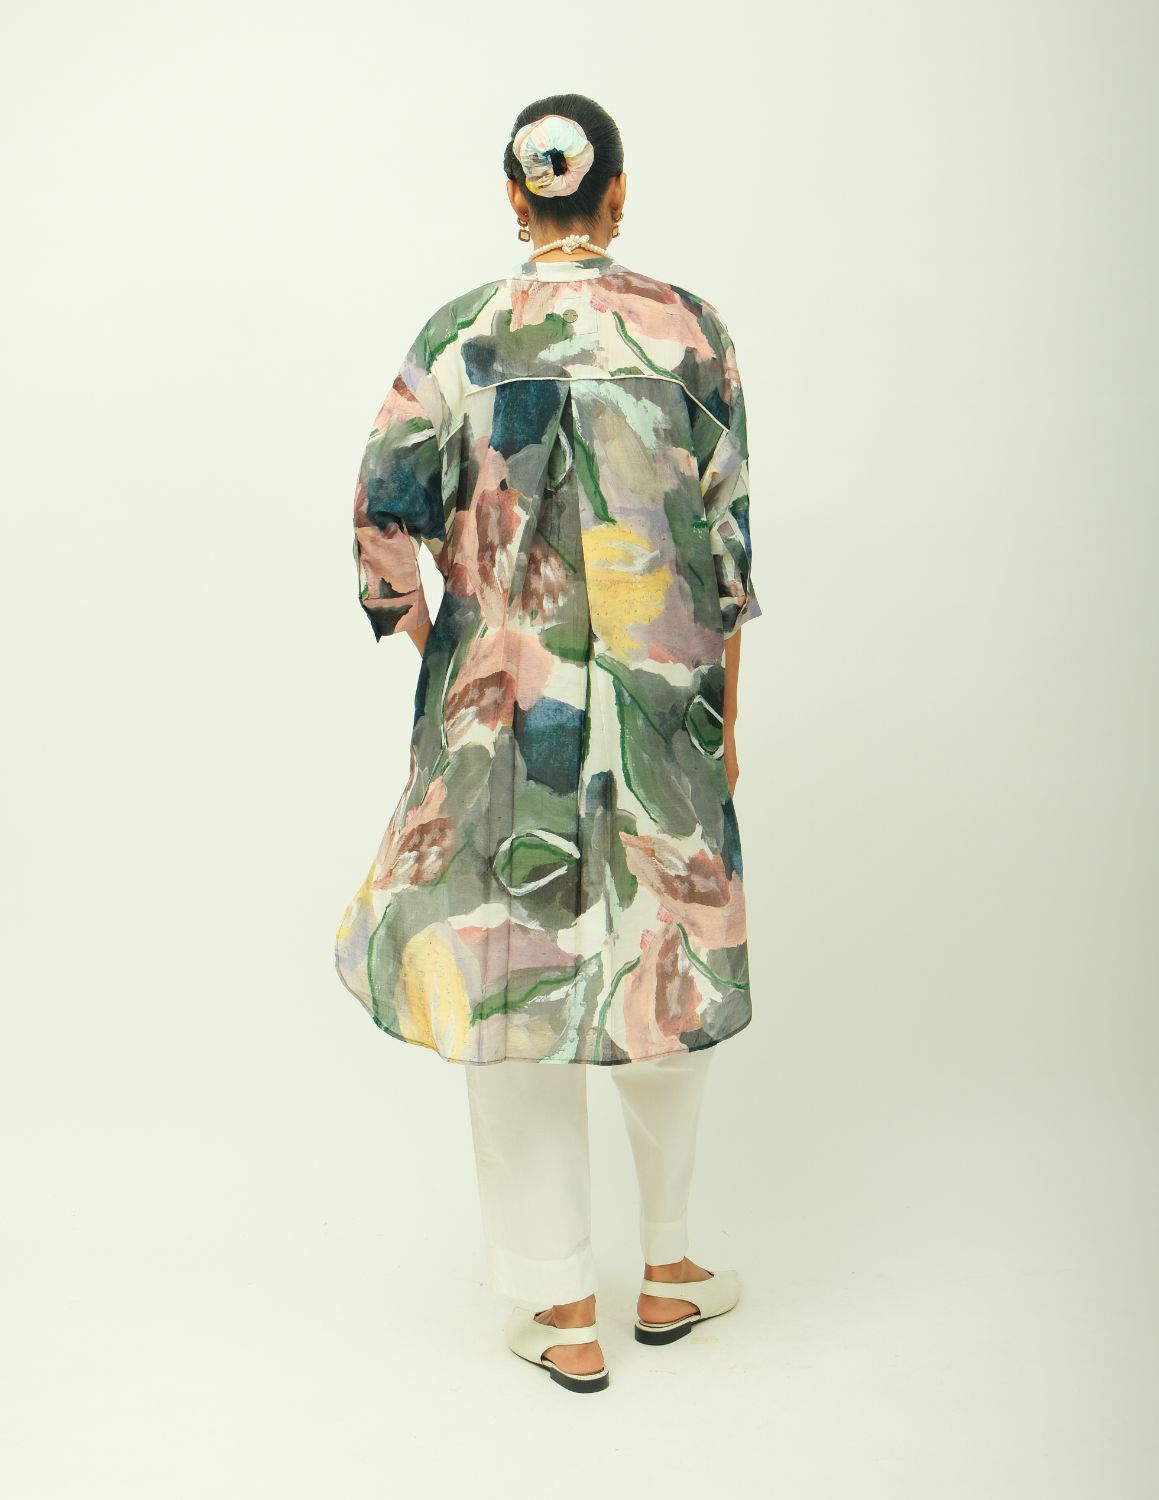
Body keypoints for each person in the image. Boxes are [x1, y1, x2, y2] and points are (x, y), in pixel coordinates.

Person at [333, 93, 763, 1393]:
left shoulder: (459, 336)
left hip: (503, 727)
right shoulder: (690, 332)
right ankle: (671, 1267)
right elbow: (727, 555)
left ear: (517, 201)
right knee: (662, 966)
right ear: (617, 194)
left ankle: (561, 1306)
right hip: (663, 711)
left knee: (513, 984)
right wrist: (722, 724)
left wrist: (454, 654)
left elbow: (381, 530)